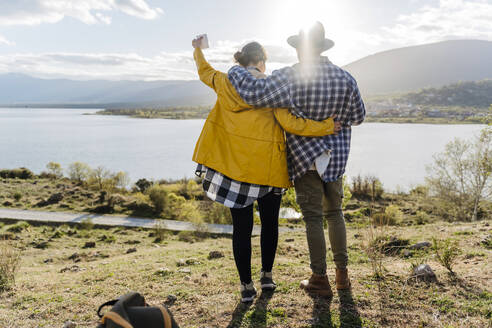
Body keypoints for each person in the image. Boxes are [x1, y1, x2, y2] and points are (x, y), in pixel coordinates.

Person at [191, 37, 341, 302]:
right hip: (269, 171)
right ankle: (267, 277)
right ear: (261, 62)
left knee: (241, 229)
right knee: (270, 225)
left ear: (240, 60)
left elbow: (204, 71)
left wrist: (198, 50)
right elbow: (293, 124)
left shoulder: (225, 82)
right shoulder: (273, 89)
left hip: (234, 172)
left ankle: (246, 287)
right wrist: (326, 127)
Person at [227, 22, 366, 298]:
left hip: (304, 159)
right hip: (335, 159)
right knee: (335, 213)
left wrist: (235, 69)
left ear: (300, 50)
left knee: (313, 218)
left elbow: (254, 94)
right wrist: (334, 122)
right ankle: (343, 277)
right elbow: (359, 116)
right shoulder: (345, 78)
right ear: (322, 48)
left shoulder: (288, 77)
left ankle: (319, 279)